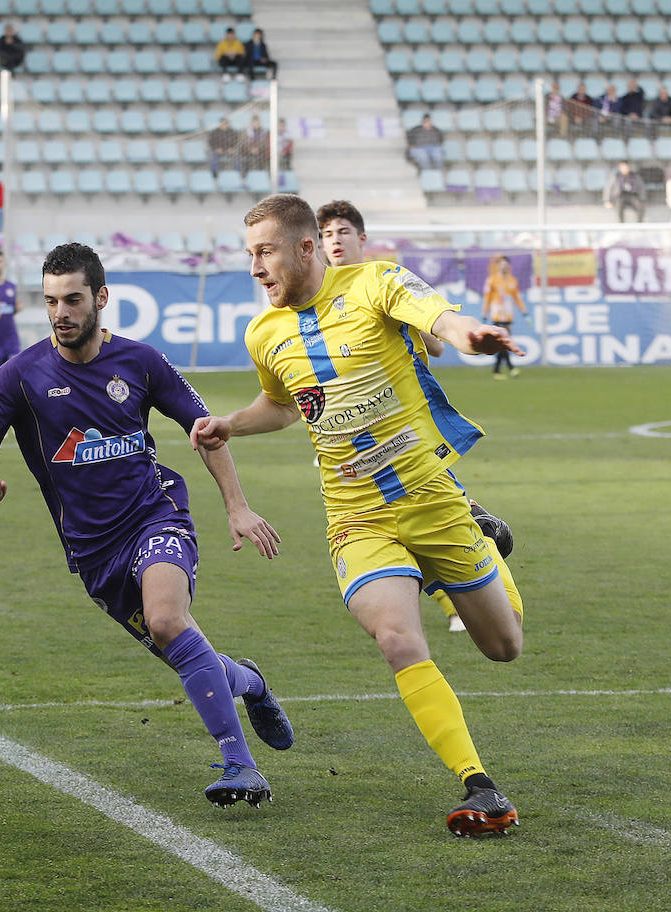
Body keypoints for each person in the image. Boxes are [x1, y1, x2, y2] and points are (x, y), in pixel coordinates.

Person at [194, 194, 526, 836]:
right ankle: (478, 785)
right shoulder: (264, 333)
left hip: (431, 499)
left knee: (505, 645)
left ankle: (482, 545)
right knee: (398, 638)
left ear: (306, 248)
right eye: (250, 255)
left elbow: (439, 315)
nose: (256, 267)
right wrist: (231, 424)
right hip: (356, 518)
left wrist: (470, 335)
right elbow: (285, 405)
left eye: (265, 252)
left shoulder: (375, 282)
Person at [0, 242, 294, 807]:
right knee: (189, 658)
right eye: (50, 301)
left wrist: (236, 505)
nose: (60, 313)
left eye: (72, 299)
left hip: (154, 514)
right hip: (92, 553)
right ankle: (251, 683)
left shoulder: (141, 362)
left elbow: (207, 430)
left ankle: (240, 765)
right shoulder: (20, 376)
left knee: (167, 618)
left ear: (101, 298)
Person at [315, 199, 476, 633]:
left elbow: (438, 345)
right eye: (326, 234)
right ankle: (459, 567)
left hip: (401, 418)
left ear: (361, 239)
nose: (334, 241)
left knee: (418, 505)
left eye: (342, 232)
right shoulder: (313, 296)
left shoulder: (383, 281)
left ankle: (460, 583)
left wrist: (411, 323)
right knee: (395, 516)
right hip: (345, 429)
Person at [481, 255, 527, 379]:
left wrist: (525, 313)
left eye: (506, 265)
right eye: (502, 264)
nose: (504, 267)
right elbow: (487, 298)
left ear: (509, 266)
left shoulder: (513, 281)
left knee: (503, 344)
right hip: (497, 316)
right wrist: (484, 313)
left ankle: (497, 371)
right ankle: (511, 369)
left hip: (508, 317)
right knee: (503, 343)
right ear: (498, 266)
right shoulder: (492, 280)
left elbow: (517, 298)